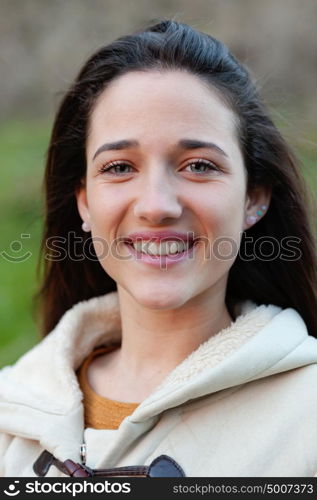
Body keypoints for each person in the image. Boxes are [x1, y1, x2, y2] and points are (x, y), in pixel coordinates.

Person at [1, 19, 317, 478]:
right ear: (85, 202)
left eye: (199, 165)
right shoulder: (13, 416)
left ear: (255, 198)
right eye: (119, 167)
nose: (156, 206)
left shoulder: (306, 419)